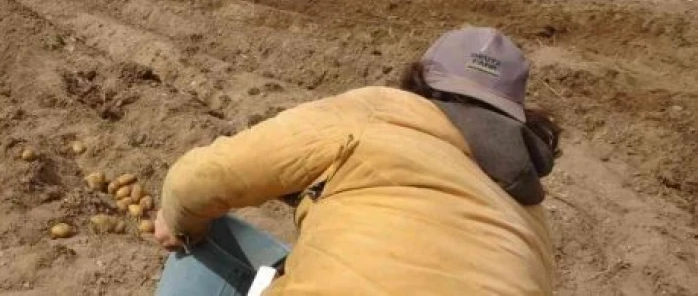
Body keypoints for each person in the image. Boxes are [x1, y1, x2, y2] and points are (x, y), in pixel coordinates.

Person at [152, 26, 561, 296]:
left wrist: (179, 223)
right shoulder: (530, 221)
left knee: (212, 236)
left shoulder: (379, 112)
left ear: (421, 82)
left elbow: (199, 179)